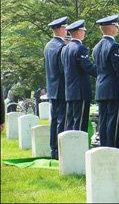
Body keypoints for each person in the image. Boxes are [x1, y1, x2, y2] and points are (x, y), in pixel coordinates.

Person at [92, 15, 119, 149]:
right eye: (116, 26)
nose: (117, 28)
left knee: (103, 122)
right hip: (113, 89)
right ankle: (112, 149)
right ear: (111, 28)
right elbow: (118, 69)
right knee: (114, 122)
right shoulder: (114, 46)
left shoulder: (97, 47)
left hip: (101, 88)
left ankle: (103, 148)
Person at [61, 19, 97, 133]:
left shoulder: (65, 48)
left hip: (70, 91)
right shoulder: (80, 48)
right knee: (80, 124)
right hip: (80, 91)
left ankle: (70, 148)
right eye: (83, 30)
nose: (84, 33)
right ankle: (78, 149)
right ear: (79, 32)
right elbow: (89, 68)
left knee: (71, 122)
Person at [44, 16, 68, 159]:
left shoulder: (48, 46)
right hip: (62, 88)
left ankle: (53, 149)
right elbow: (63, 70)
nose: (66, 31)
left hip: (52, 88)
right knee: (62, 120)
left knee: (54, 120)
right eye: (65, 28)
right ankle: (60, 150)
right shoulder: (62, 47)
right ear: (60, 29)